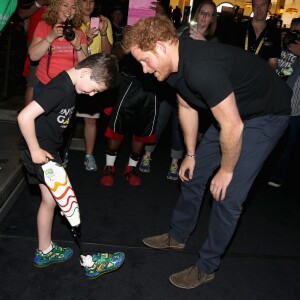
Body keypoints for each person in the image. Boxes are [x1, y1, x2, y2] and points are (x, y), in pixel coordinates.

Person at [122, 15, 292, 289]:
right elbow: (188, 106)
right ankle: (178, 235)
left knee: (228, 195)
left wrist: (226, 170)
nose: (144, 69)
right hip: (233, 112)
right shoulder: (170, 68)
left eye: (145, 60)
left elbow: (232, 126)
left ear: (161, 46)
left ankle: (206, 266)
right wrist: (190, 154)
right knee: (193, 173)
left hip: (265, 115)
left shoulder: (200, 68)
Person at [17, 52, 125, 279]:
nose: (93, 94)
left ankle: (44, 250)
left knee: (50, 201)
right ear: (86, 72)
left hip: (47, 150)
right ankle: (88, 259)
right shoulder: (61, 88)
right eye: (95, 88)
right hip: (40, 152)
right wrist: (35, 151)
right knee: (68, 204)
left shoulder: (74, 85)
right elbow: (24, 117)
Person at [139, 0, 218, 180]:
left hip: (192, 90)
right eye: (202, 12)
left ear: (213, 19)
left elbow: (213, 66)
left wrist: (203, 44)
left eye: (209, 14)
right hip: (173, 85)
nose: (205, 17)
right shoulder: (183, 30)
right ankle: (147, 155)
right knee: (159, 120)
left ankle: (175, 163)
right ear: (197, 13)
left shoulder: (213, 40)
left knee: (180, 126)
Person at [75, 0, 113, 171]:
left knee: (90, 119)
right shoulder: (71, 21)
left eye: (91, 0)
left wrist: (103, 34)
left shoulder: (103, 21)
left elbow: (108, 53)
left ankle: (89, 156)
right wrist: (87, 41)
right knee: (65, 118)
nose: (88, 4)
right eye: (84, 0)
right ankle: (61, 154)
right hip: (73, 73)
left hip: (92, 77)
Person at [28, 0, 88, 97]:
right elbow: (33, 56)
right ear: (56, 6)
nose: (69, 10)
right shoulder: (44, 26)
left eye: (73, 7)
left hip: (68, 86)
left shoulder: (78, 33)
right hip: (44, 85)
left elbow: (85, 66)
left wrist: (78, 48)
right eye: (65, 5)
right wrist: (50, 36)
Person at [268, 40, 300, 188]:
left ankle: (278, 174)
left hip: (296, 110)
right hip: (278, 106)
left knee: (289, 145)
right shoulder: (286, 54)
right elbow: (281, 75)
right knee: (269, 139)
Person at [229, 0, 281, 69]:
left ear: (269, 6)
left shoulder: (274, 33)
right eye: (255, 5)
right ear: (252, 8)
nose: (258, 9)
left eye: (263, 5)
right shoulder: (238, 28)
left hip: (259, 76)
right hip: (237, 73)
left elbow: (273, 63)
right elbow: (229, 54)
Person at [18, 0, 50, 107]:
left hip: (60, 42)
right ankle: (26, 120)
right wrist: (39, 3)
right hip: (36, 42)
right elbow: (21, 14)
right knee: (32, 81)